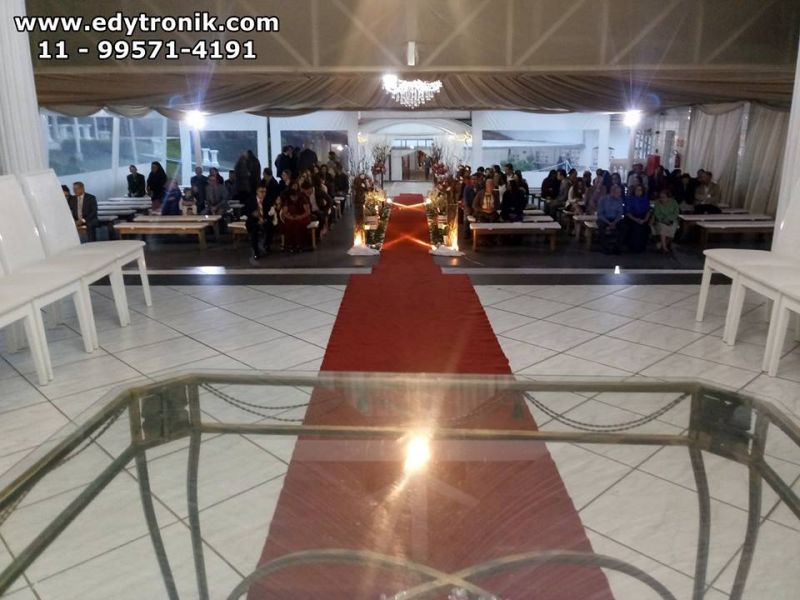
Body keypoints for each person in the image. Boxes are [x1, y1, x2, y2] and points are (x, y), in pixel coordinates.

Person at [246, 185, 276, 260]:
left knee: (271, 227)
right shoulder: (251, 200)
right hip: (254, 221)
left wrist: (264, 219)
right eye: (261, 192)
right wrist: (254, 215)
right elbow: (247, 212)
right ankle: (256, 251)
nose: (263, 194)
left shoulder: (268, 200)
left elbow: (271, 214)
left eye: (265, 192)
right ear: (257, 192)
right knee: (254, 231)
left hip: (265, 220)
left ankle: (266, 245)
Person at [280, 188, 312, 252]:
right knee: (289, 224)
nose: (294, 198)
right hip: (291, 217)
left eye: (295, 196)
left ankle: (300, 244)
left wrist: (300, 217)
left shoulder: (303, 199)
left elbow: (308, 212)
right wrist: (290, 217)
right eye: (292, 196)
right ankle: (291, 245)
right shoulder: (287, 201)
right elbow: (284, 213)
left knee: (299, 224)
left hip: (303, 217)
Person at [596, 184, 625, 254]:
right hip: (604, 219)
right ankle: (605, 248)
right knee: (601, 226)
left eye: (620, 192)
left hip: (615, 219)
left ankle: (617, 248)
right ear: (612, 192)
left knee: (624, 227)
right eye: (618, 192)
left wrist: (614, 222)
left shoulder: (619, 200)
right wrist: (609, 223)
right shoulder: (603, 199)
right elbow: (600, 214)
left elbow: (620, 213)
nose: (620, 194)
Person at [625, 183, 652, 253]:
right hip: (632, 217)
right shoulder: (629, 199)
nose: (638, 192)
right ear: (634, 191)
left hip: (643, 217)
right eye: (637, 190)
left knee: (644, 227)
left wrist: (645, 219)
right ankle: (633, 247)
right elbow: (628, 212)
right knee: (635, 227)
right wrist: (636, 219)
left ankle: (642, 247)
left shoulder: (645, 199)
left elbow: (648, 211)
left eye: (640, 190)